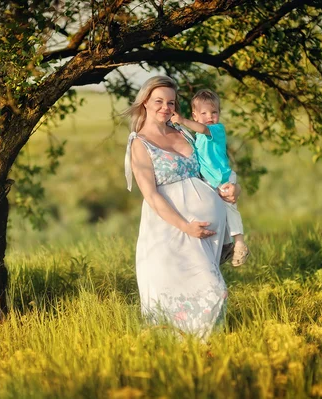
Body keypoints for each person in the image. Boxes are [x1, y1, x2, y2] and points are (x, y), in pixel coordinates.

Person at [124, 76, 238, 339]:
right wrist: (185, 226)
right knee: (206, 291)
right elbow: (151, 196)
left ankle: (205, 354)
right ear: (145, 103)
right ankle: (180, 353)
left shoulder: (185, 131)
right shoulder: (140, 143)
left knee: (213, 291)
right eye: (159, 101)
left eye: (171, 102)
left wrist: (234, 188)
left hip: (204, 233)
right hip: (169, 232)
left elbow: (217, 167)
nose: (165, 107)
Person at [170, 89, 250, 266]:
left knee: (230, 209)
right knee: (217, 212)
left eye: (214, 112)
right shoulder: (197, 137)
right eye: (204, 113)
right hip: (210, 181)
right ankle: (225, 245)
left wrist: (182, 121)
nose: (210, 116)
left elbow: (203, 128)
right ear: (195, 115)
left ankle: (240, 243)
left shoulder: (216, 130)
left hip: (223, 178)